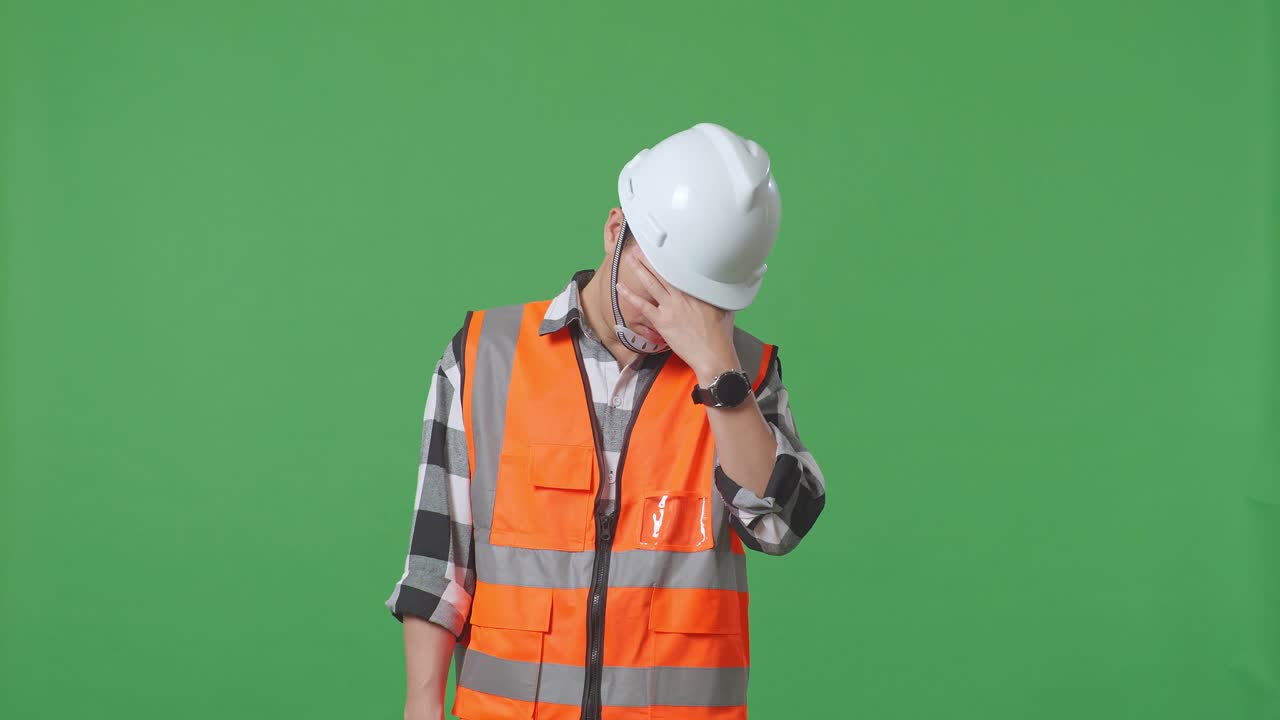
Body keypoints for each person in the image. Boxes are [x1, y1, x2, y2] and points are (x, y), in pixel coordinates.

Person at [385, 122, 827, 720]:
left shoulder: (741, 375)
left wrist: (718, 370)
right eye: (660, 287)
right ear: (616, 231)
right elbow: (438, 565)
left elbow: (779, 528)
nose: (670, 316)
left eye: (701, 299)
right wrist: (421, 706)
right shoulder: (484, 357)